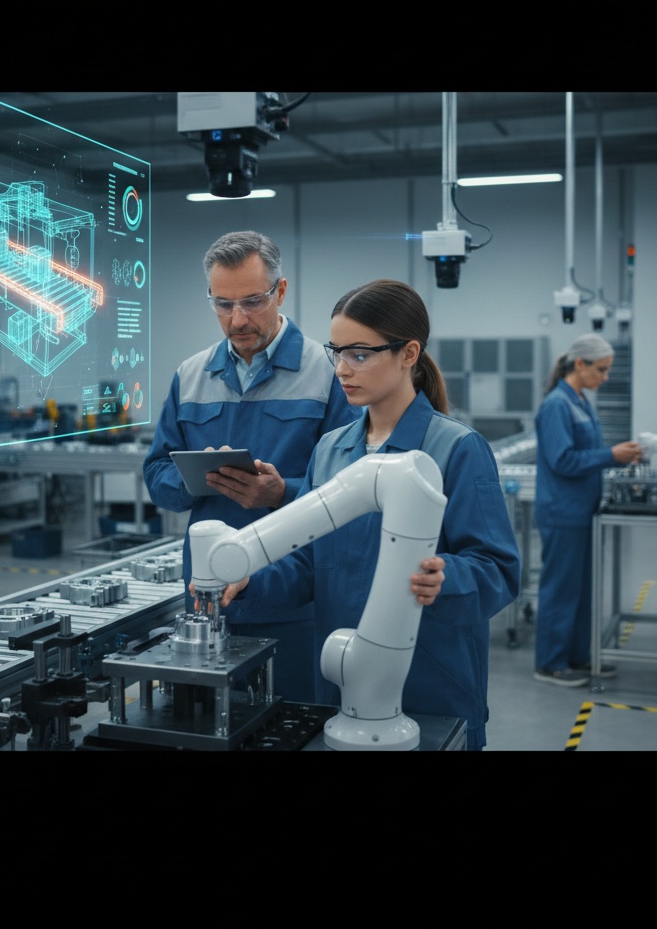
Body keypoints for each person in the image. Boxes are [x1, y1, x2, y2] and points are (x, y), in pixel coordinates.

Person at [216, 279, 521, 751]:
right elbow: (306, 565)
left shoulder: (457, 449)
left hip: (430, 684)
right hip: (344, 686)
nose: (341, 369)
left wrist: (447, 578)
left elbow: (499, 570)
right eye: (336, 352)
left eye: (359, 354)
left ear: (408, 353)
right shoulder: (332, 449)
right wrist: (251, 578)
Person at [142, 230, 361, 702]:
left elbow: (354, 489)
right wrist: (195, 479)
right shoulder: (191, 374)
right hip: (205, 598)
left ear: (281, 292)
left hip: (295, 598)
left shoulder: (330, 374)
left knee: (293, 724)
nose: (237, 319)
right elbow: (156, 474)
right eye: (222, 304)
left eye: (252, 301)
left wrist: (282, 494)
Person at [532, 332, 644, 687]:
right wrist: (612, 455)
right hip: (563, 513)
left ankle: (576, 656)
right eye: (601, 370)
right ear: (579, 364)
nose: (606, 377)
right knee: (561, 589)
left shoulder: (580, 401)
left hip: (583, 510)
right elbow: (562, 459)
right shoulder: (556, 405)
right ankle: (549, 663)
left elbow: (584, 454)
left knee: (581, 592)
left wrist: (615, 457)